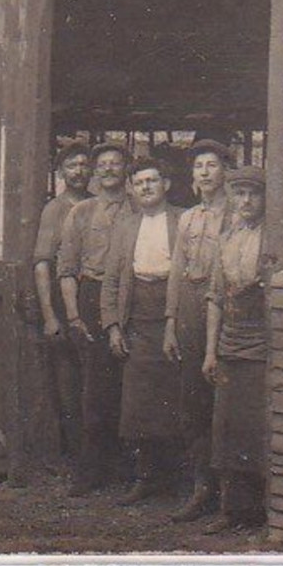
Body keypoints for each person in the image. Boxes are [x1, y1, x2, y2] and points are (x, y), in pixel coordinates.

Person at [101, 156, 182, 505]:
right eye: (139, 182)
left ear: (166, 184)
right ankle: (147, 477)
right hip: (137, 320)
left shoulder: (183, 220)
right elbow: (113, 279)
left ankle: (178, 479)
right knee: (139, 404)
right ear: (132, 189)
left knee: (177, 400)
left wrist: (175, 320)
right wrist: (113, 326)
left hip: (174, 316)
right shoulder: (126, 225)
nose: (146, 187)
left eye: (152, 180)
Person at [56, 142, 133, 496]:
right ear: (95, 172)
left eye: (116, 163)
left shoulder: (138, 208)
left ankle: (128, 471)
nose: (108, 169)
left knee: (129, 386)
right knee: (94, 390)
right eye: (102, 164)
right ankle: (89, 472)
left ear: (125, 170)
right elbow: (67, 269)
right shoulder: (82, 213)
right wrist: (73, 315)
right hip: (91, 296)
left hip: (131, 299)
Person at [202, 164, 276, 533]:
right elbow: (215, 296)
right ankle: (232, 510)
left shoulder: (272, 239)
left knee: (256, 427)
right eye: (240, 194)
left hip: (260, 344)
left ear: (264, 199)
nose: (246, 201)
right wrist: (210, 351)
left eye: (254, 194)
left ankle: (262, 513)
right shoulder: (226, 237)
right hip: (229, 343)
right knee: (227, 428)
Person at [162, 139, 233, 522]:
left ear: (225, 171)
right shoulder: (188, 219)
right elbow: (176, 270)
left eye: (211, 165)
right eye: (198, 167)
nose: (204, 172)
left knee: (225, 401)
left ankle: (229, 493)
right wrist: (171, 322)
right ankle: (200, 487)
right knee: (193, 402)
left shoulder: (236, 214)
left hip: (225, 307)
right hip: (190, 307)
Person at [30, 141, 91, 462]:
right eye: (72, 165)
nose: (79, 171)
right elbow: (42, 263)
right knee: (68, 384)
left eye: (83, 164)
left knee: (92, 381)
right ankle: (73, 456)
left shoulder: (96, 204)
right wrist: (49, 316)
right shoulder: (55, 208)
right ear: (61, 172)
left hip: (90, 298)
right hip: (61, 298)